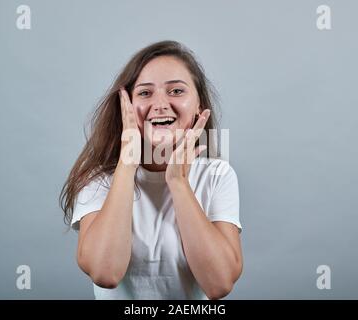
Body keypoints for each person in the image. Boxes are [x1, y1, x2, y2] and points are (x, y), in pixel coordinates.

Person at [60, 40, 243, 300]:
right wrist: (127, 162)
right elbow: (105, 272)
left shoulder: (217, 176)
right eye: (145, 93)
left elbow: (219, 284)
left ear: (199, 107)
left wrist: (178, 181)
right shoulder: (98, 180)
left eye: (176, 91)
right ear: (126, 107)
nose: (160, 104)